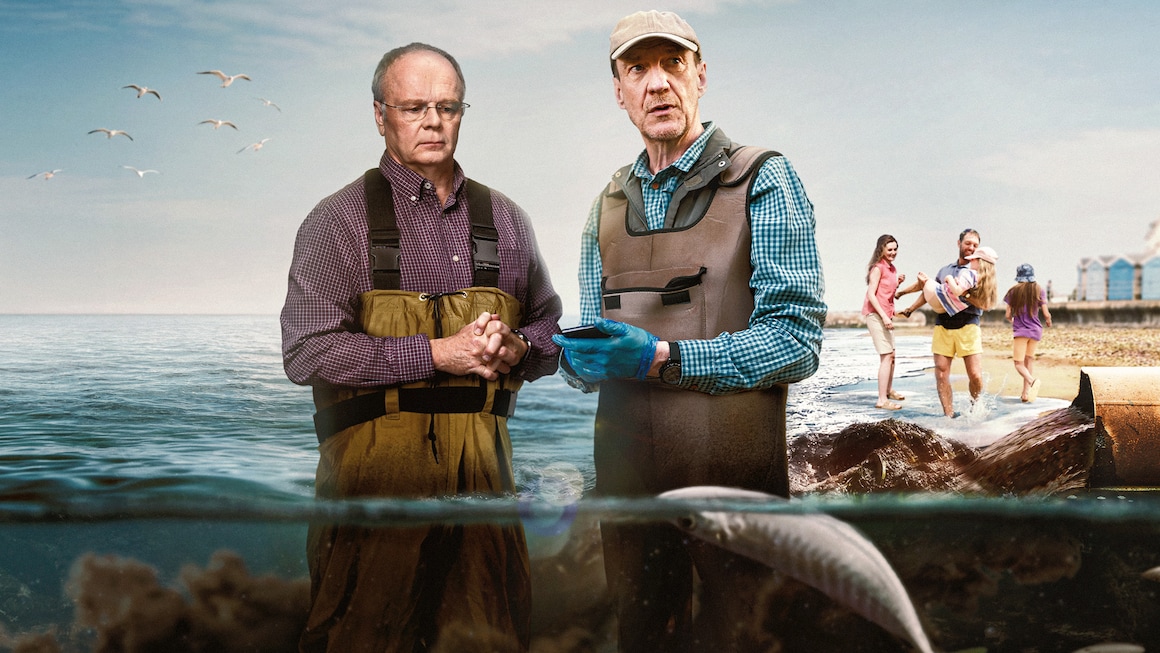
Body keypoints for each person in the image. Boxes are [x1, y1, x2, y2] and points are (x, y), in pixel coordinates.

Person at [552, 11, 826, 651]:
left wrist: (662, 358)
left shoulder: (764, 177)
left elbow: (797, 339)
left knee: (748, 637)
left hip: (737, 491)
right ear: (618, 91)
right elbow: (591, 346)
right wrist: (570, 359)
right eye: (636, 69)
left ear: (700, 76)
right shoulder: (604, 206)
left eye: (672, 64)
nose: (656, 83)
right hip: (626, 495)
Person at [279, 43, 562, 653]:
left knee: (489, 640)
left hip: (485, 492)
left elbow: (552, 333)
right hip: (371, 493)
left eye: (447, 106)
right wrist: (436, 355)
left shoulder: (508, 220)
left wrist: (519, 347)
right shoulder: (336, 222)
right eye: (413, 107)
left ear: (463, 113)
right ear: (379, 115)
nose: (433, 121)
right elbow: (305, 352)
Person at [898, 228, 988, 418]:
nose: (971, 248)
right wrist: (910, 308)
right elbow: (928, 290)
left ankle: (975, 407)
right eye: (967, 243)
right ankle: (948, 415)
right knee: (941, 372)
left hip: (969, 323)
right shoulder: (944, 270)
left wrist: (963, 292)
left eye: (975, 245)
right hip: (943, 323)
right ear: (959, 243)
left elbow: (985, 302)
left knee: (975, 375)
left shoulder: (979, 272)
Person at [863, 234, 913, 410]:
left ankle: (889, 390)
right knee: (886, 356)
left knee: (892, 356)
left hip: (886, 315)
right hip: (876, 315)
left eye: (895, 249)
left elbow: (886, 293)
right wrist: (884, 317)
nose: (893, 252)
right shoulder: (877, 268)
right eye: (889, 249)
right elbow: (871, 294)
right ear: (881, 250)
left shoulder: (892, 269)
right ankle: (882, 400)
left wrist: (897, 283)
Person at [900, 245, 999, 317]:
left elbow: (957, 291)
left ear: (979, 261)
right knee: (926, 284)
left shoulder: (970, 274)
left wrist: (949, 278)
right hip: (947, 307)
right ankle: (909, 309)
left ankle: (900, 294)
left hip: (939, 300)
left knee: (924, 281)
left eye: (973, 259)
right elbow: (986, 306)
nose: (971, 261)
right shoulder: (986, 282)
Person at [1004, 263, 1052, 402]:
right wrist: (1048, 322)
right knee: (1028, 361)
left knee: (1018, 364)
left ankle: (1032, 381)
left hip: (1021, 331)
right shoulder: (1039, 290)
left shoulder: (1013, 291)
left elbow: (1008, 314)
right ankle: (1025, 394)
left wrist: (1013, 320)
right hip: (1036, 330)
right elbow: (1046, 313)